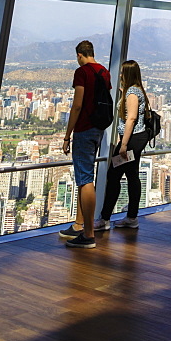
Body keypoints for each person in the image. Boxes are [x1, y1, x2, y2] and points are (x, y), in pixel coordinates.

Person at [59, 40, 111, 248]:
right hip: (99, 128)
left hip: (84, 128)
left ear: (80, 55)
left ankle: (88, 233)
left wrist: (67, 135)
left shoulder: (82, 72)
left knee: (85, 179)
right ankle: (79, 224)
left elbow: (77, 105)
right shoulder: (103, 72)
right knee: (85, 176)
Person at [94, 60, 149, 232]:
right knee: (132, 176)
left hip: (130, 141)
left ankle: (104, 218)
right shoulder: (137, 91)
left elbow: (131, 118)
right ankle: (131, 217)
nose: (119, 75)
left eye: (122, 73)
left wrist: (123, 145)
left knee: (114, 175)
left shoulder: (132, 93)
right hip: (136, 140)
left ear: (128, 74)